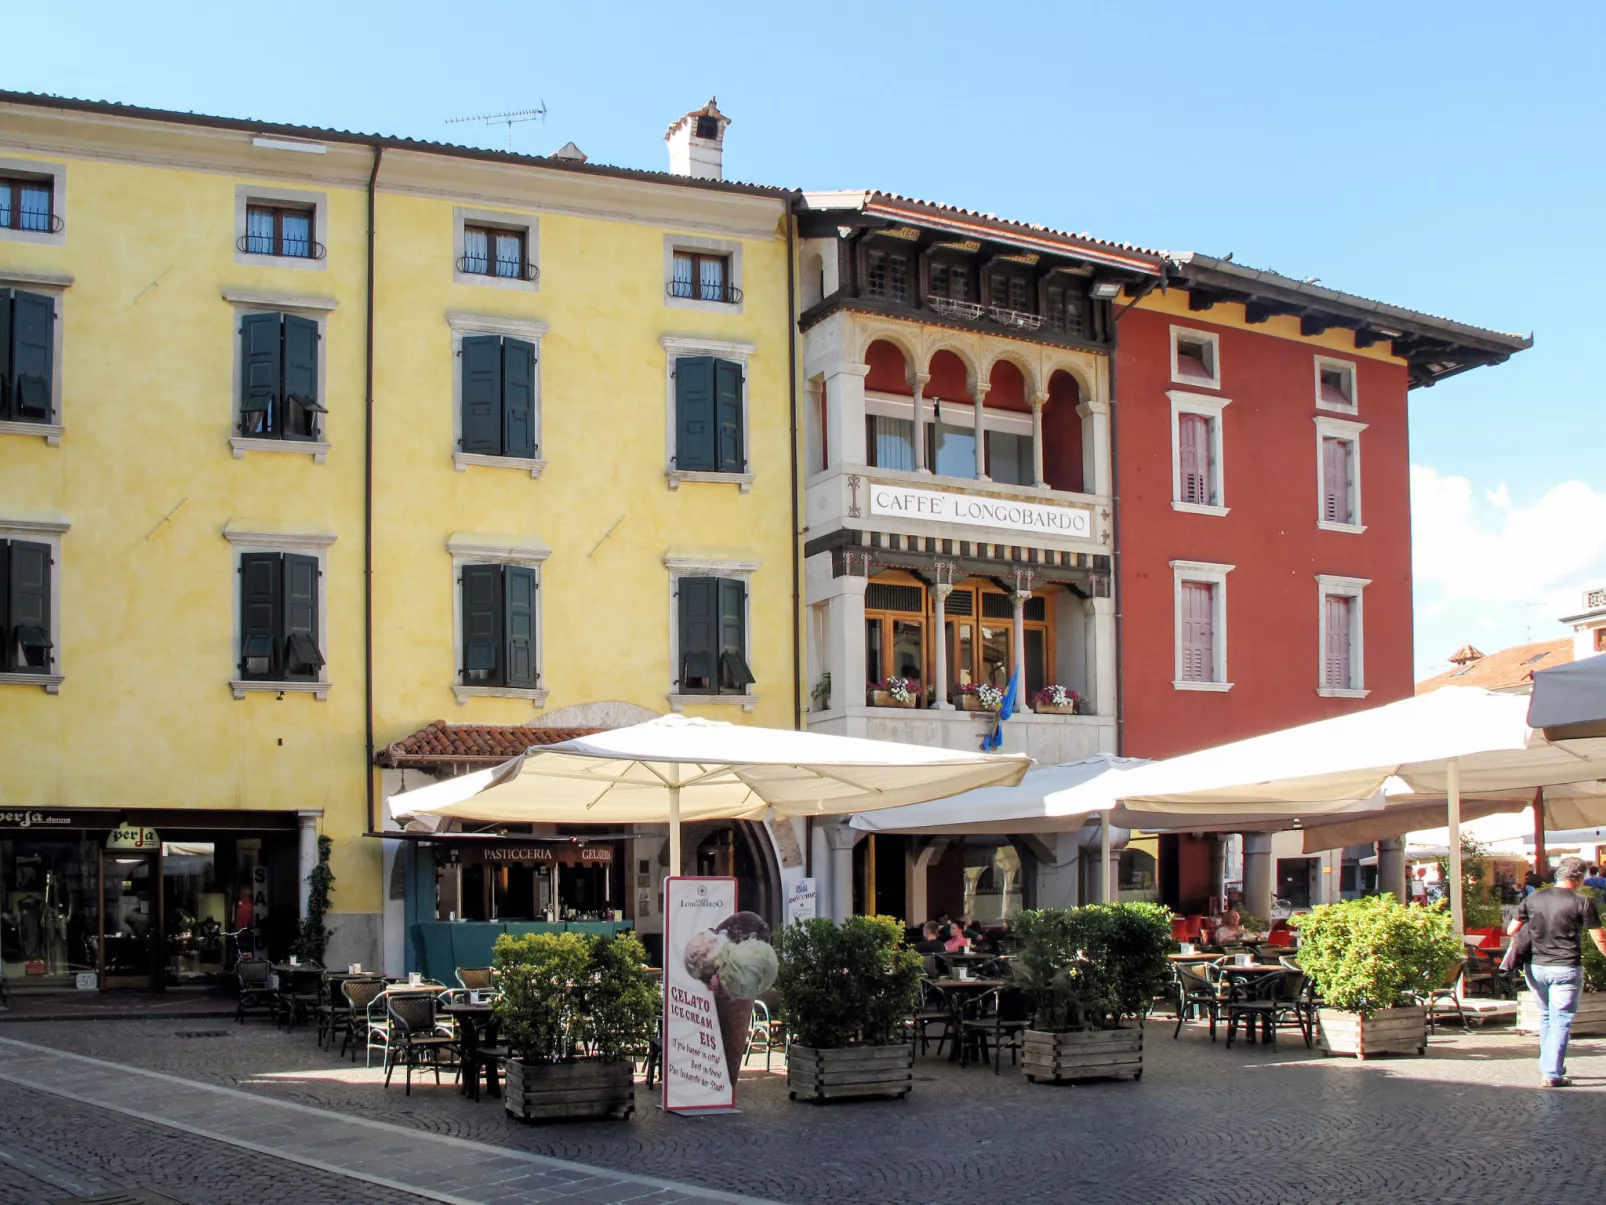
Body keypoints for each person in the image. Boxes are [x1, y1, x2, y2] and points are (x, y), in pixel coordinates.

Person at [1508, 855, 1606, 1087]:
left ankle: (1551, 1066)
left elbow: (1513, 929)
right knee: (1561, 1019)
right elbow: (1600, 938)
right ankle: (1552, 1073)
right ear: (1580, 878)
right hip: (1565, 966)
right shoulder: (1582, 902)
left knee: (1546, 1017)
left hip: (1536, 966)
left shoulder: (1534, 898)